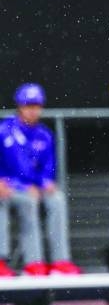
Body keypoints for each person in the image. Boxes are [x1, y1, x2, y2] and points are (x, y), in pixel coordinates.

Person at [0, 84, 81, 277]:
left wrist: (45, 183)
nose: (32, 110)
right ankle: (29, 262)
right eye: (28, 106)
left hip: (32, 188)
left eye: (36, 106)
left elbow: (47, 169)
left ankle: (60, 261)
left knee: (57, 199)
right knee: (24, 201)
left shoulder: (44, 135)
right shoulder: (4, 131)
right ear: (20, 107)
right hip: (9, 188)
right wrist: (10, 184)